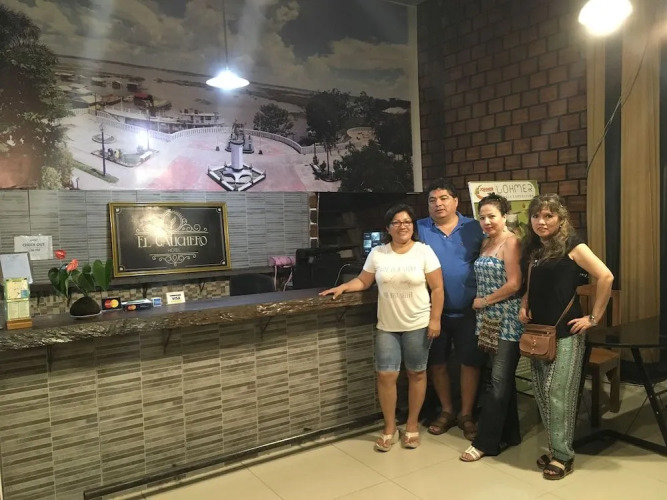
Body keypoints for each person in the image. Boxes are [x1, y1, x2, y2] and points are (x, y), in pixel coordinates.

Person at [320, 204, 444, 451]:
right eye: (396, 222)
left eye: (407, 221)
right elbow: (363, 281)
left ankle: (411, 425)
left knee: (417, 373)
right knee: (386, 375)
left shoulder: (424, 251)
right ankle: (389, 427)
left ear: (413, 226)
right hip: (387, 325)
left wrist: (435, 319)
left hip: (418, 323)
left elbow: (438, 288)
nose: (402, 226)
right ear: (388, 228)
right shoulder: (378, 253)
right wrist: (344, 287)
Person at [519, 194, 613, 480]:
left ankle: (563, 456)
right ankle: (555, 447)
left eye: (548, 216)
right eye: (536, 216)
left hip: (566, 333)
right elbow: (533, 285)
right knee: (541, 393)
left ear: (561, 219)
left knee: (558, 393)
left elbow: (606, 277)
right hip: (538, 332)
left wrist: (593, 318)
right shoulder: (536, 249)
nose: (541, 221)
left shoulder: (573, 246)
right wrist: (524, 303)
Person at [416, 179, 485, 440]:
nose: (438, 204)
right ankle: (446, 410)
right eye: (432, 200)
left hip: (470, 310)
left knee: (470, 363)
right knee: (438, 363)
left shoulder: (475, 227)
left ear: (456, 201)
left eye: (444, 198)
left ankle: (466, 414)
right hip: (433, 312)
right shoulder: (420, 228)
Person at [459, 194, 523, 462]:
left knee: (497, 381)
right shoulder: (486, 243)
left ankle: (485, 442)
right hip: (487, 319)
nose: (486, 222)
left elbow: (514, 284)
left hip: (507, 319)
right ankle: (511, 433)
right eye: (482, 217)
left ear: (504, 216)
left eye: (492, 216)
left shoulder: (512, 242)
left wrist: (485, 300)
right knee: (500, 378)